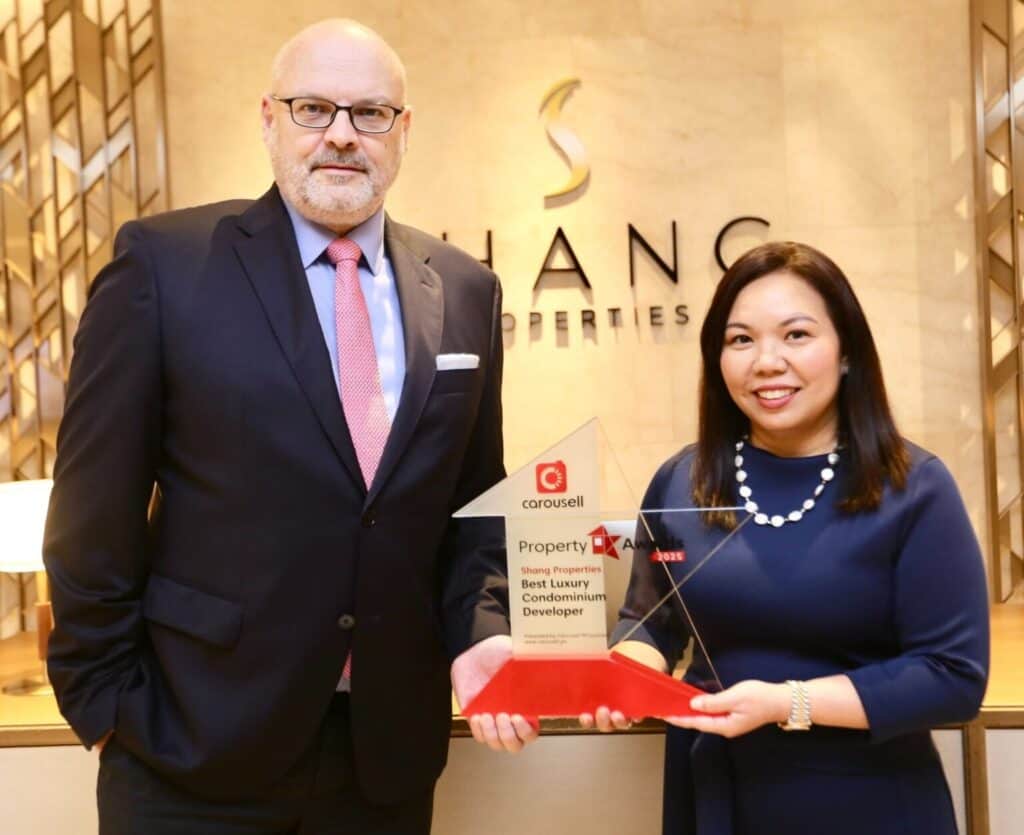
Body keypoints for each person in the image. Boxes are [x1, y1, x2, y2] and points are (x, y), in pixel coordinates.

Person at [42, 18, 535, 835]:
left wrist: (481, 631)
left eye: (370, 113)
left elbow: (476, 509)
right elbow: (93, 512)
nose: (342, 135)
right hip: (191, 750)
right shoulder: (162, 267)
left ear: (402, 132)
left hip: (382, 764)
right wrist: (104, 704)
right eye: (314, 109)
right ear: (269, 119)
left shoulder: (466, 289)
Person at [584, 241, 989, 835]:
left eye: (796, 335)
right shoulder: (683, 480)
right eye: (741, 340)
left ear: (846, 351)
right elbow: (653, 620)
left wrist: (786, 702)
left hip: (870, 803)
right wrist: (623, 672)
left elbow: (952, 677)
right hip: (719, 800)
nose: (766, 361)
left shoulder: (914, 488)